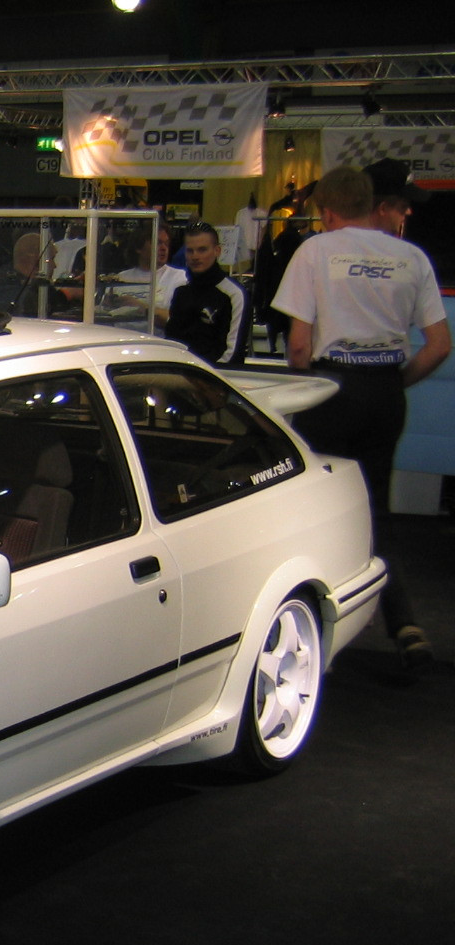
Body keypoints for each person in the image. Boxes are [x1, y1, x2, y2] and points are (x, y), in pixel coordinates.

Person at [273, 165, 451, 668]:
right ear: (372, 204)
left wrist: (309, 389)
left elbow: (300, 347)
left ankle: (319, 621)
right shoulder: (411, 257)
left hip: (332, 389)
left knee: (314, 505)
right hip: (386, 392)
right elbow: (439, 346)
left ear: (327, 210)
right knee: (376, 505)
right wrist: (393, 382)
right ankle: (404, 622)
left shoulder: (316, 251)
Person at [164, 222, 247, 365]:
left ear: (217, 251)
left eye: (202, 250)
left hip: (218, 379)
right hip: (179, 377)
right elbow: (172, 341)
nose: (195, 256)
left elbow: (233, 354)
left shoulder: (234, 295)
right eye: (190, 251)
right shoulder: (181, 292)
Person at [106, 224, 186, 331]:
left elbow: (178, 321)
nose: (164, 248)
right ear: (139, 247)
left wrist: (140, 307)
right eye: (158, 243)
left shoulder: (178, 277)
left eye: (166, 243)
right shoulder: (120, 278)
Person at [362, 157, 427, 238]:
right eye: (403, 206)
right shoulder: (404, 250)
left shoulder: (343, 241)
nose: (408, 212)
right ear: (383, 208)